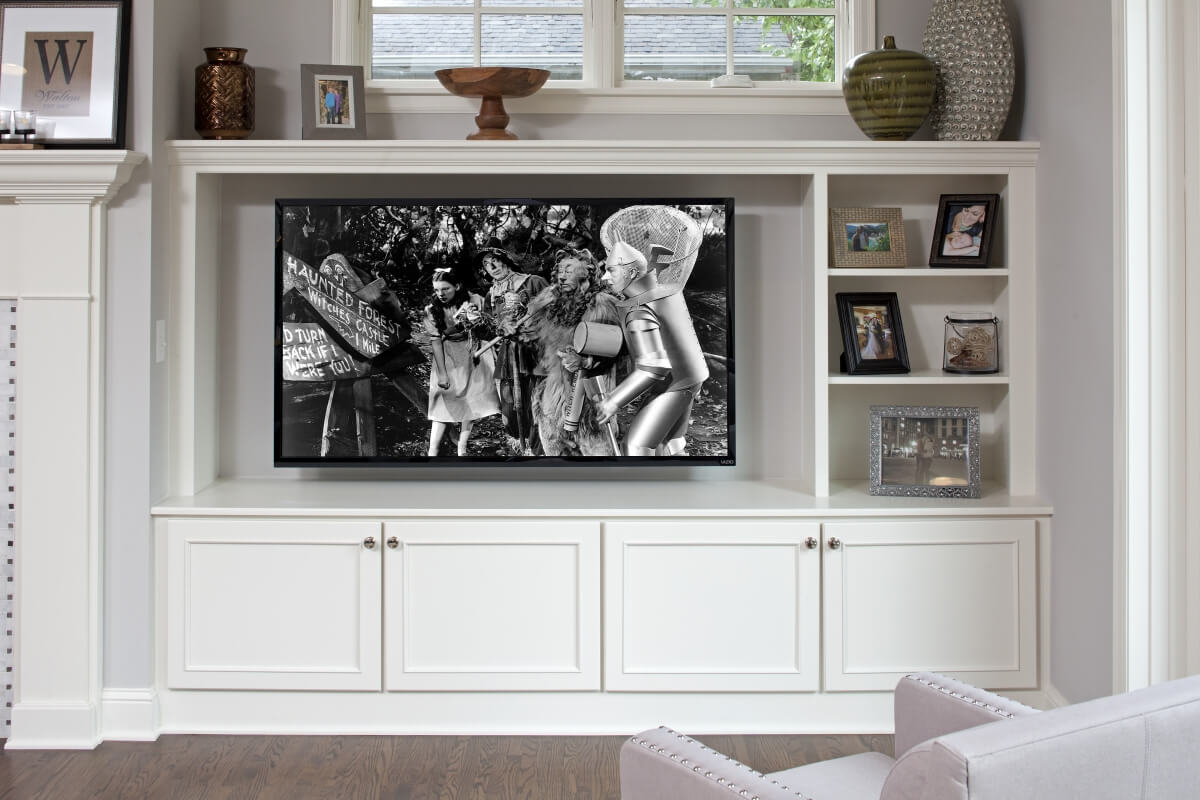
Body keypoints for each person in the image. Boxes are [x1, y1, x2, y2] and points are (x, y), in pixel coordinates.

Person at [593, 205, 708, 457]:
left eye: (611, 270)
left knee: (636, 446)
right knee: (670, 442)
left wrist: (612, 401)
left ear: (632, 272)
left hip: (675, 383)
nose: (604, 277)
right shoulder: (667, 290)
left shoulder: (638, 309)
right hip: (689, 377)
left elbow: (654, 365)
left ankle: (643, 494)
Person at [519, 248, 622, 456]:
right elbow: (531, 339)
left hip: (591, 398)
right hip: (554, 397)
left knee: (599, 458)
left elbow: (617, 349)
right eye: (559, 270)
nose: (561, 275)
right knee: (554, 456)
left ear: (587, 271)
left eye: (568, 269)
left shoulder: (602, 303)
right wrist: (518, 324)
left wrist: (586, 361)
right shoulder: (551, 301)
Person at [478, 247, 549, 455]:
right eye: (486, 265)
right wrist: (476, 322)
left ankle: (540, 451)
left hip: (537, 353)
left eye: (494, 261)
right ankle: (523, 444)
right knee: (511, 408)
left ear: (506, 261)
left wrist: (525, 305)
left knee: (538, 404)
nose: (491, 267)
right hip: (510, 356)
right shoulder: (492, 294)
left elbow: (554, 312)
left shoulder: (533, 282)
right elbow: (492, 333)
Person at [423, 267, 500, 456]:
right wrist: (441, 372)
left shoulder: (474, 301)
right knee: (443, 401)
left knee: (472, 399)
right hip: (448, 354)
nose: (440, 294)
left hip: (473, 351)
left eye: (446, 289)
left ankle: (462, 448)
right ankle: (432, 451)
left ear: (457, 286)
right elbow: (436, 341)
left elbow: (490, 327)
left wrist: (477, 319)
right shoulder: (432, 310)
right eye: (437, 290)